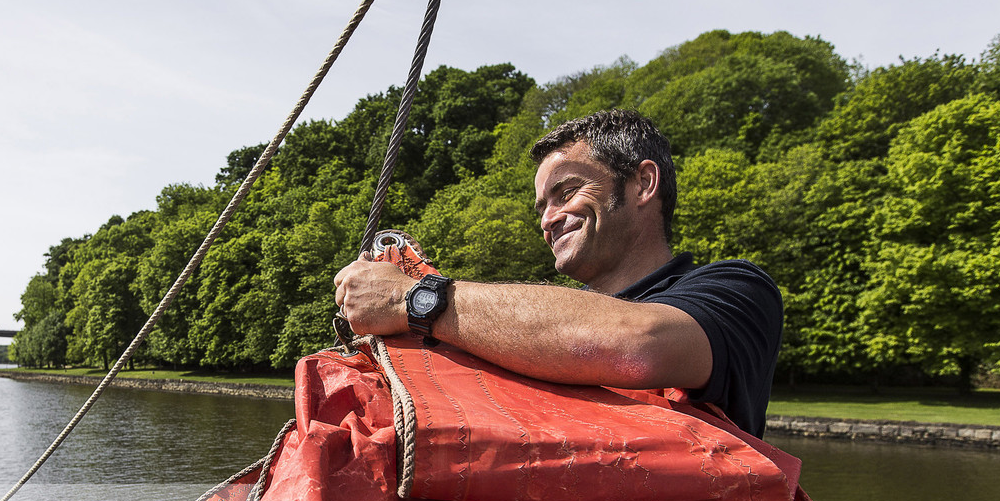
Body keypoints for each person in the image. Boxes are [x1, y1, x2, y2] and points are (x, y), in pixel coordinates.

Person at [334, 108, 783, 438]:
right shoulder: (526, 333)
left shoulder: (738, 291)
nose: (548, 219)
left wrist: (412, 300)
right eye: (542, 206)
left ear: (644, 184)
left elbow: (640, 344)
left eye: (566, 192)